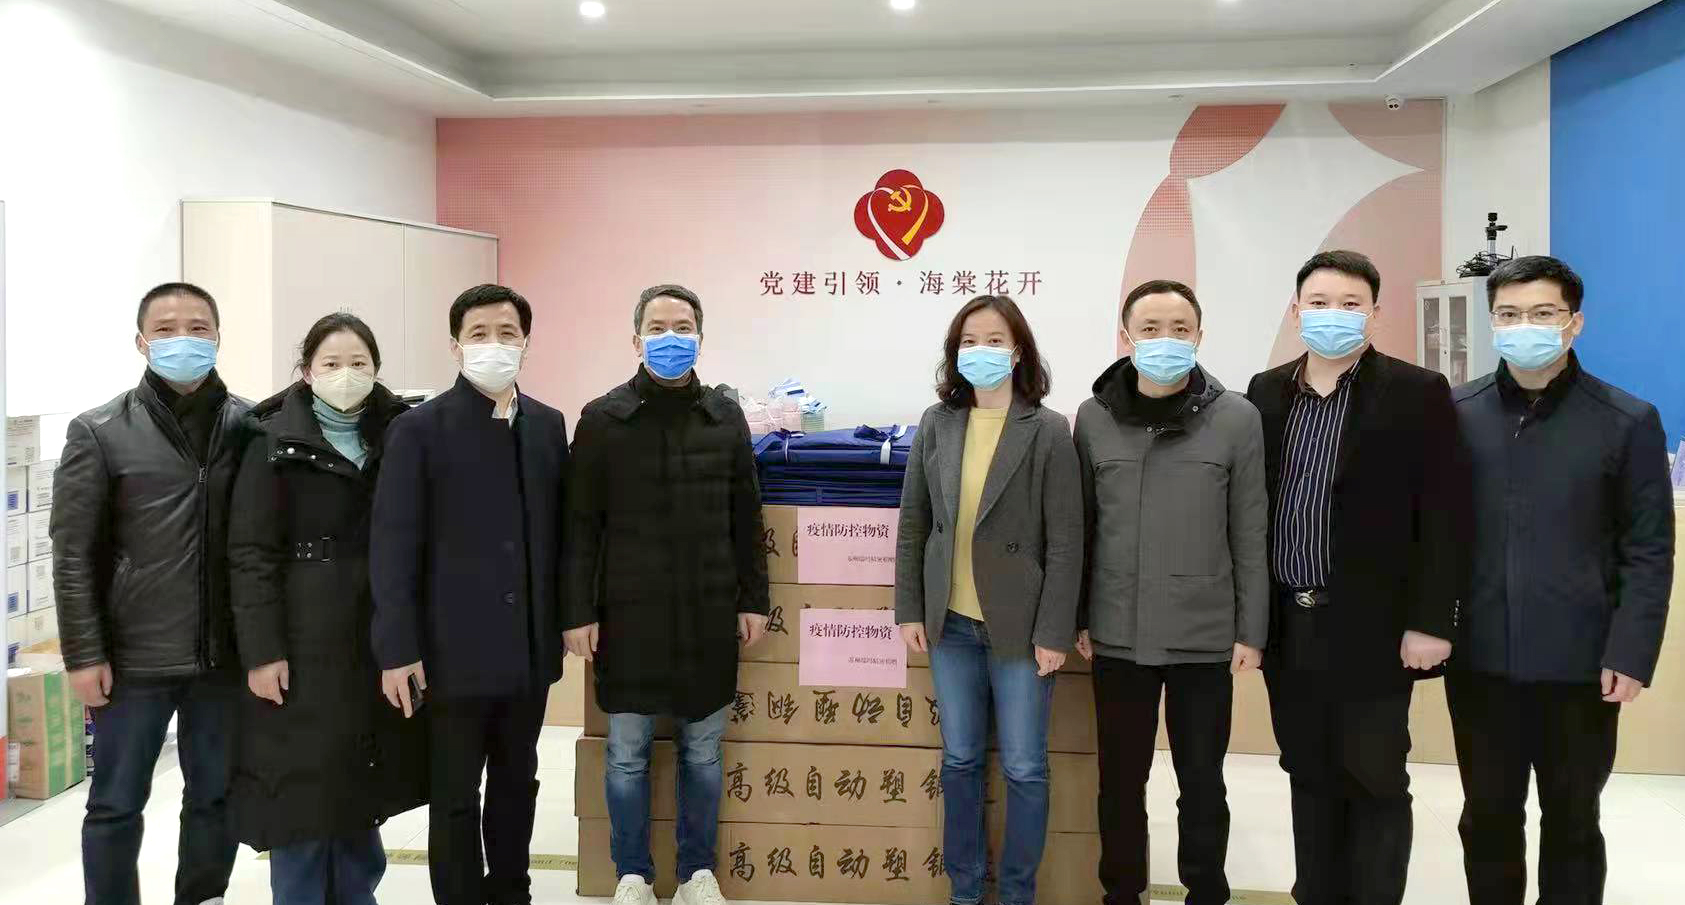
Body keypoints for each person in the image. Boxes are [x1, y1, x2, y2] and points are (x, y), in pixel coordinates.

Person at [1449, 256, 1674, 905]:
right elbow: (1430, 535)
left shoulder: (1626, 419)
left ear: (1574, 322)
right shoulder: (1455, 412)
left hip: (1582, 667)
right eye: (1509, 314)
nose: (1525, 326)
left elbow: (1648, 548)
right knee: (1486, 818)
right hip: (1481, 662)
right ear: (1492, 322)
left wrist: (1630, 652)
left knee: (1573, 822)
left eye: (1543, 313)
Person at [1245, 250, 1466, 905]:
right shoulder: (1265, 392)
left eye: (1349, 304)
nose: (1332, 315)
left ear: (1374, 312)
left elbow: (1444, 513)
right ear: (1295, 311)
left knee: (1373, 775)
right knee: (1306, 771)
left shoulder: (1417, 391)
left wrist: (1430, 619)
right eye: (1318, 303)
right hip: (1289, 623)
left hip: (1374, 627)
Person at [563, 284, 770, 905]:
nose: (671, 338)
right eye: (658, 328)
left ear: (701, 338)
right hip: (627, 613)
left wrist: (753, 599)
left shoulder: (724, 417)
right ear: (636, 340)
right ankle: (631, 873)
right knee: (626, 752)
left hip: (707, 609)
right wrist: (577, 612)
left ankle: (696, 873)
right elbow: (579, 527)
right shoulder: (603, 419)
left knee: (702, 752)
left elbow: (746, 516)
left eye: (683, 327)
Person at [51, 282, 251, 905]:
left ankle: (203, 896)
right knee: (115, 803)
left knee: (215, 795)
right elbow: (73, 554)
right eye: (166, 329)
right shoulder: (100, 430)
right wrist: (83, 654)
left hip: (224, 656)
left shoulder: (251, 426)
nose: (182, 340)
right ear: (141, 342)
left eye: (197, 327)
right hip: (133, 656)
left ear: (218, 337)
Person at [370, 284, 570, 905]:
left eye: (507, 333)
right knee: (455, 793)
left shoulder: (547, 425)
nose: (494, 345)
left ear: (526, 343)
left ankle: (512, 891)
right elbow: (393, 548)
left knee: (518, 782)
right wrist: (397, 649)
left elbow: (562, 537)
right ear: (456, 346)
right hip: (449, 651)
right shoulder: (418, 430)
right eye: (478, 334)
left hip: (527, 650)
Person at [1073, 280, 1268, 905]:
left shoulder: (1237, 417)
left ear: (1199, 336)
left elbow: (1250, 531)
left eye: (1179, 329)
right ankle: (1121, 893)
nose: (1165, 340)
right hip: (1117, 631)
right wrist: (1079, 616)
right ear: (1125, 337)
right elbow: (1082, 527)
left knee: (1203, 781)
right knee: (1120, 781)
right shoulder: (1093, 418)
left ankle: (1206, 891)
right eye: (1150, 329)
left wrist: (1251, 630)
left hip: (1203, 635)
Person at [227, 313, 428, 905]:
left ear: (377, 369)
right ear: (307, 371)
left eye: (359, 363)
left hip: (374, 633)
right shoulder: (268, 439)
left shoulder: (400, 433)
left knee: (362, 779)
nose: (346, 374)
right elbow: (251, 553)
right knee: (300, 793)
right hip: (300, 638)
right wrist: (262, 652)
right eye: (331, 363)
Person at [893, 294, 1083, 905]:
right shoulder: (937, 422)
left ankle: (1018, 894)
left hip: (1022, 630)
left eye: (995, 340)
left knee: (1024, 767)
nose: (981, 351)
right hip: (949, 625)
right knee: (960, 761)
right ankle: (966, 890)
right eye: (969, 342)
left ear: (1018, 350)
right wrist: (909, 609)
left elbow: (1066, 541)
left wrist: (1054, 631)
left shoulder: (1047, 430)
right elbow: (914, 523)